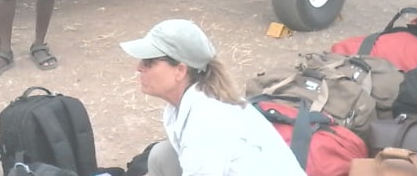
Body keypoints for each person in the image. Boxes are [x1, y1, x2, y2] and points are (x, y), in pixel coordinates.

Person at [120, 19, 306, 176]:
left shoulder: (207, 122)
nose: (139, 67)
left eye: (149, 61)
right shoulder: (187, 102)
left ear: (180, 70)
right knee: (162, 154)